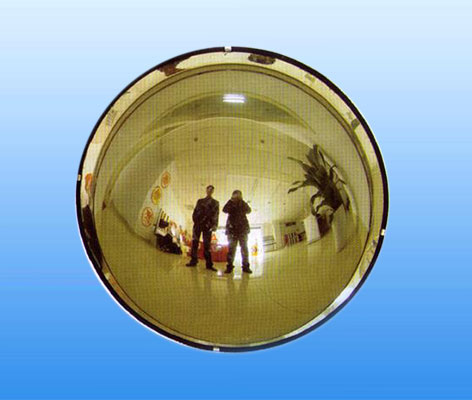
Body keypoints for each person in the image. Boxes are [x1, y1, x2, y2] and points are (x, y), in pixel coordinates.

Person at [186, 185, 219, 271]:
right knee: (195, 242)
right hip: (198, 224)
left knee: (207, 245)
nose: (210, 191)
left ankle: (209, 264)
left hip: (208, 226)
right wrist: (195, 221)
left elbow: (216, 215)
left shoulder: (215, 203)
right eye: (208, 189)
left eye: (211, 190)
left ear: (213, 192)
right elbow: (195, 211)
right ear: (206, 190)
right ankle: (193, 261)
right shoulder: (200, 201)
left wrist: (214, 225)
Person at [223, 190, 252, 274]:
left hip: (242, 230)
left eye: (239, 195)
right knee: (231, 249)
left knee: (244, 249)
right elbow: (224, 210)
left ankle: (246, 267)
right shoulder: (230, 204)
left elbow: (249, 210)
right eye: (235, 195)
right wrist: (231, 200)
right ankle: (229, 266)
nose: (237, 197)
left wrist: (242, 201)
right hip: (232, 230)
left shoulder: (242, 204)